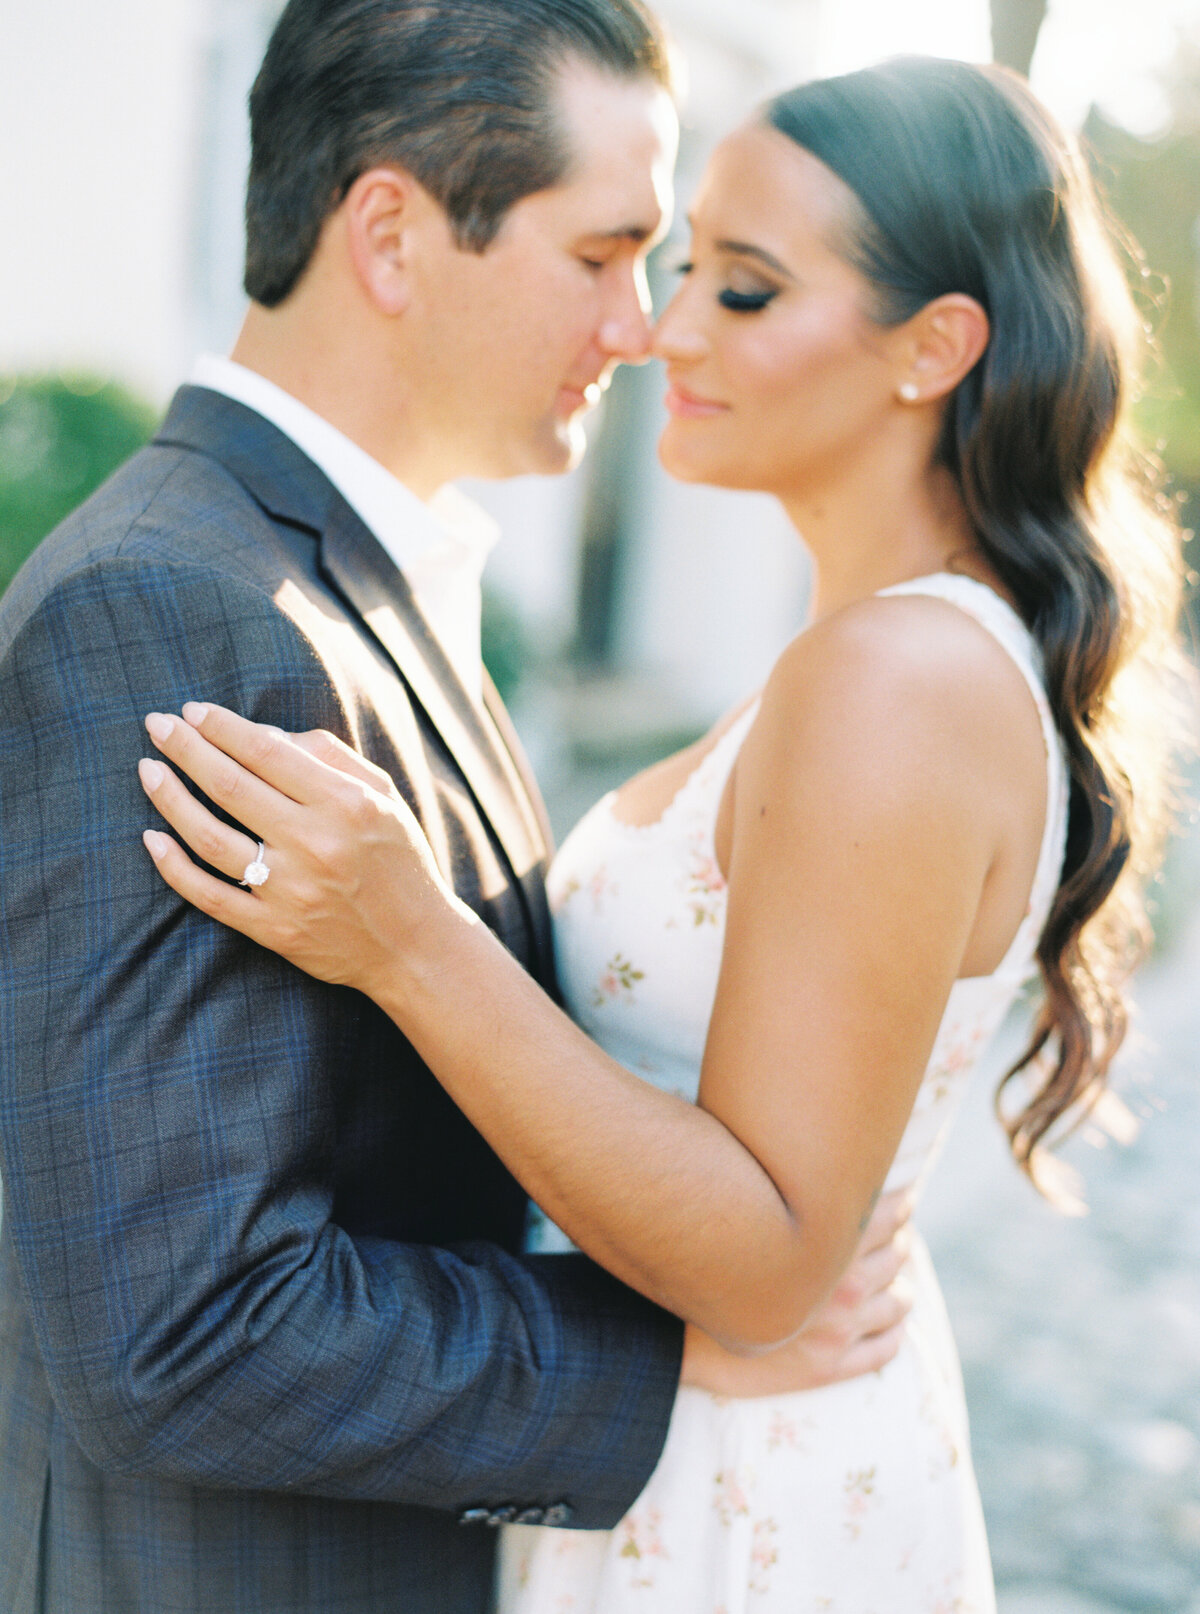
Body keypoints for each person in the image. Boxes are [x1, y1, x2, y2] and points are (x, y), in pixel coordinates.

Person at [135, 54, 1188, 1614]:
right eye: (681, 265)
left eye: (746, 292)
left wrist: (407, 935)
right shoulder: (879, 658)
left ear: (935, 346)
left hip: (742, 1502)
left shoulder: (893, 678)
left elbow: (769, 1254)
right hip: (675, 1445)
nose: (664, 328)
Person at [0, 4, 911, 1611]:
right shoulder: (172, 609)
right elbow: (180, 1333)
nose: (642, 327)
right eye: (601, 254)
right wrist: (670, 1360)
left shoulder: (358, 585)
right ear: (394, 234)